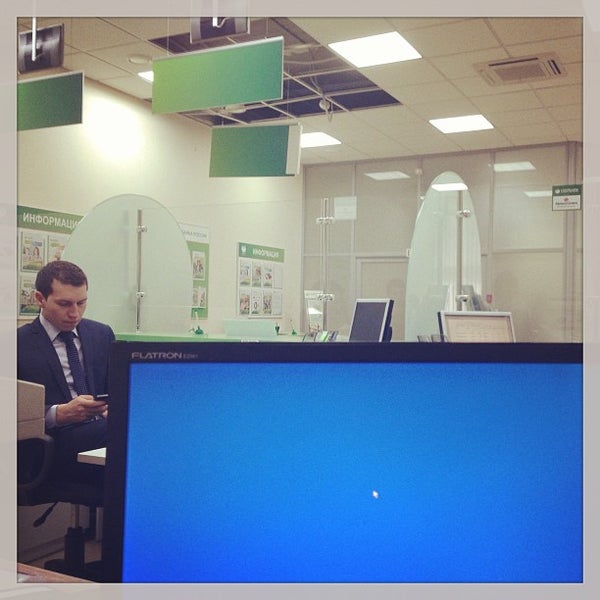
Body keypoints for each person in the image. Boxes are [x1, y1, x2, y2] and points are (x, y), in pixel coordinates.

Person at [17, 260, 115, 486]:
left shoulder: (101, 334)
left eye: (81, 303)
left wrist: (115, 408)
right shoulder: (16, 344)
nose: (74, 313)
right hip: (49, 444)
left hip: (101, 431)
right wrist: (58, 414)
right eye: (64, 304)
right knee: (123, 431)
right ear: (40, 299)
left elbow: (116, 387)